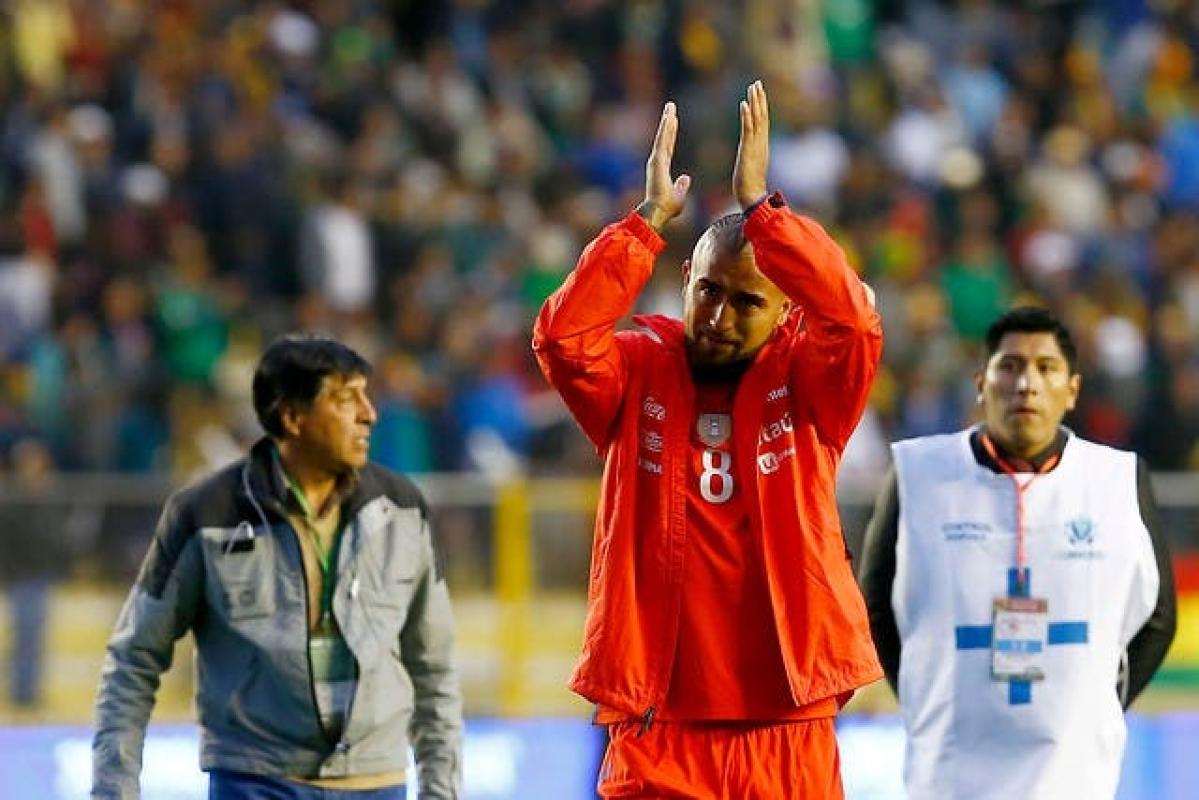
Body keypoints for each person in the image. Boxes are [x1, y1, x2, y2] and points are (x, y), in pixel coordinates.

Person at [533, 81, 884, 798]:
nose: (719, 316)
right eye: (708, 291)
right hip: (658, 725)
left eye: (748, 300)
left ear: (786, 313)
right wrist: (644, 226)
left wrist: (765, 213)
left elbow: (853, 323)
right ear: (686, 280)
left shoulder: (810, 385)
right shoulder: (635, 373)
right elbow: (563, 340)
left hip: (786, 723)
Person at [92, 334, 462, 799]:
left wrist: (441, 792)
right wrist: (113, 791)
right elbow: (133, 660)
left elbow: (435, 670)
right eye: (345, 399)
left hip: (377, 782)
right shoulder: (205, 514)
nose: (369, 414)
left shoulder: (403, 509)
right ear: (292, 418)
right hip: (254, 781)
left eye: (365, 396)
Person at [857, 306, 1177, 800]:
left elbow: (1158, 617)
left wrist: (1094, 708)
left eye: (1046, 368)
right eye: (1009, 366)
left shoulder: (1116, 479)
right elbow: (875, 606)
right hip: (949, 772)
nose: (1026, 384)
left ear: (1072, 390)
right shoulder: (918, 472)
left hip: (1075, 776)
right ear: (980, 384)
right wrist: (923, 699)